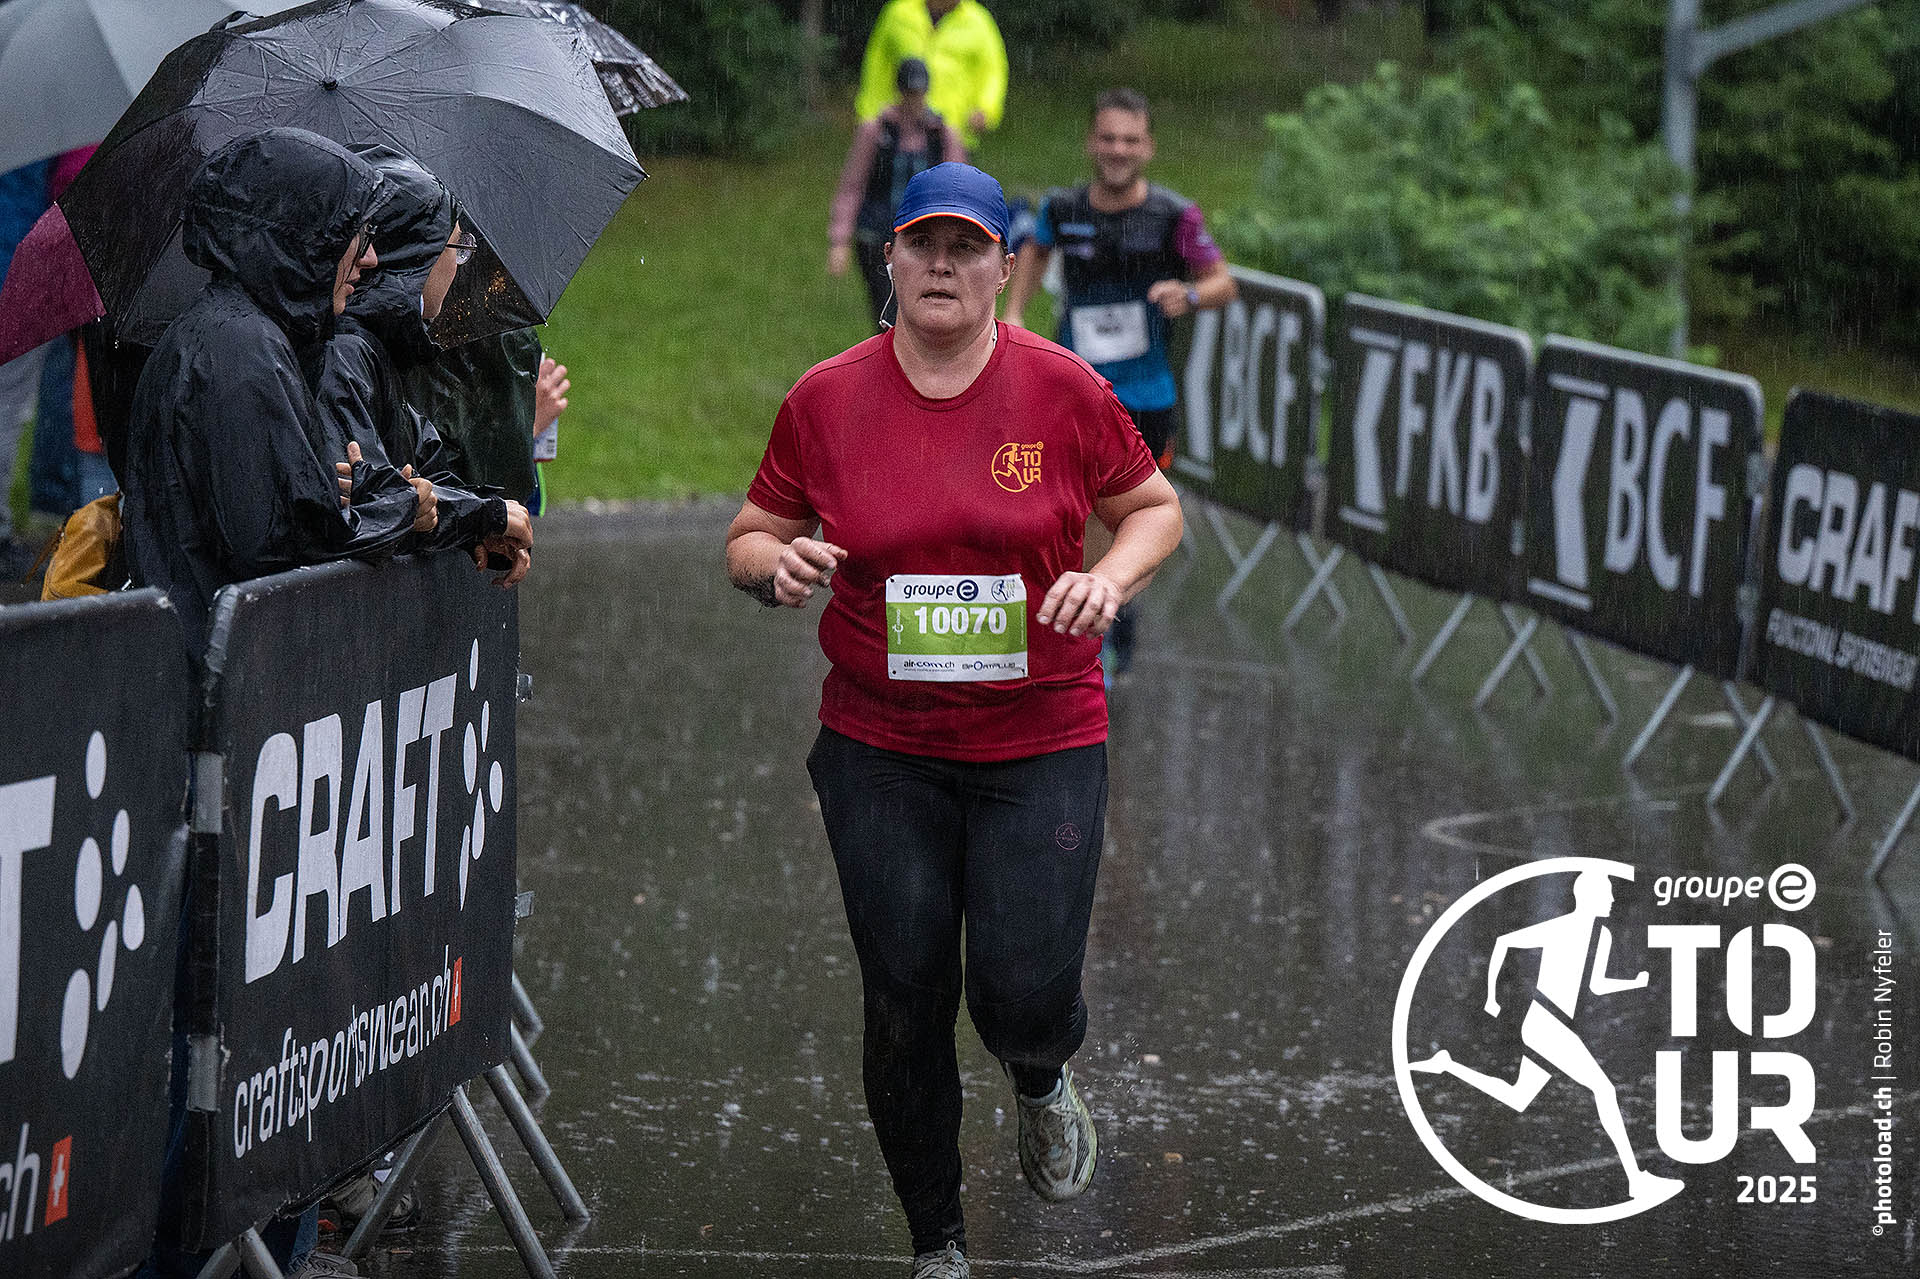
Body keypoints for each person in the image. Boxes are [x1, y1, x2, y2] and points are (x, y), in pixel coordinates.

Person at [725, 162, 1183, 1278]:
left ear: (1003, 267)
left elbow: (1154, 510)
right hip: (881, 744)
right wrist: (774, 565)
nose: (942, 263)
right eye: (922, 242)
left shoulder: (1064, 389)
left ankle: (1040, 1070)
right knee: (904, 995)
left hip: (1041, 735)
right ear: (889, 258)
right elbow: (748, 532)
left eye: (967, 246)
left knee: (1021, 991)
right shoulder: (827, 397)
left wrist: (1108, 579)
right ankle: (937, 1241)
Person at [121, 127, 429, 661]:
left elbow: (257, 511)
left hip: (200, 661)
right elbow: (277, 545)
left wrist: (335, 491)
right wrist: (404, 509)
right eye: (356, 235)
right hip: (209, 674)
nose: (371, 259)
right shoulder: (242, 349)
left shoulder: (237, 335)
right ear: (305, 240)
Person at [1003, 87, 1236, 677]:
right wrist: (1015, 312)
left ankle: (1114, 615)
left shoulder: (1174, 215)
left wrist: (1188, 295)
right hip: (1072, 390)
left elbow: (1222, 283)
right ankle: (1066, 623)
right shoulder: (1063, 207)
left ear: (1148, 147)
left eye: (1130, 140)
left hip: (1145, 394)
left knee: (1135, 513)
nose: (1118, 150)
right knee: (1066, 508)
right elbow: (1033, 252)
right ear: (1091, 143)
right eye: (1108, 138)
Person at [320, 146, 533, 585]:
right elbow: (376, 501)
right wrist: (483, 515)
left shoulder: (376, 349)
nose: (458, 266)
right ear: (418, 255)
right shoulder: (346, 352)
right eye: (457, 248)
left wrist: (472, 524)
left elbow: (423, 472)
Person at [830, 57, 967, 328]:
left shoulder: (941, 134)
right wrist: (839, 239)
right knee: (886, 310)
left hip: (924, 237)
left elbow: (958, 188)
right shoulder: (876, 131)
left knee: (918, 308)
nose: (914, 101)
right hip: (877, 234)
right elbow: (852, 185)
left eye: (919, 94)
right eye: (909, 93)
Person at [855, 0, 1007, 155]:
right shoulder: (898, 13)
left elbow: (993, 71)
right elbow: (877, 64)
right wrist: (869, 113)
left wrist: (986, 109)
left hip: (954, 132)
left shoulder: (978, 21)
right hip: (899, 131)